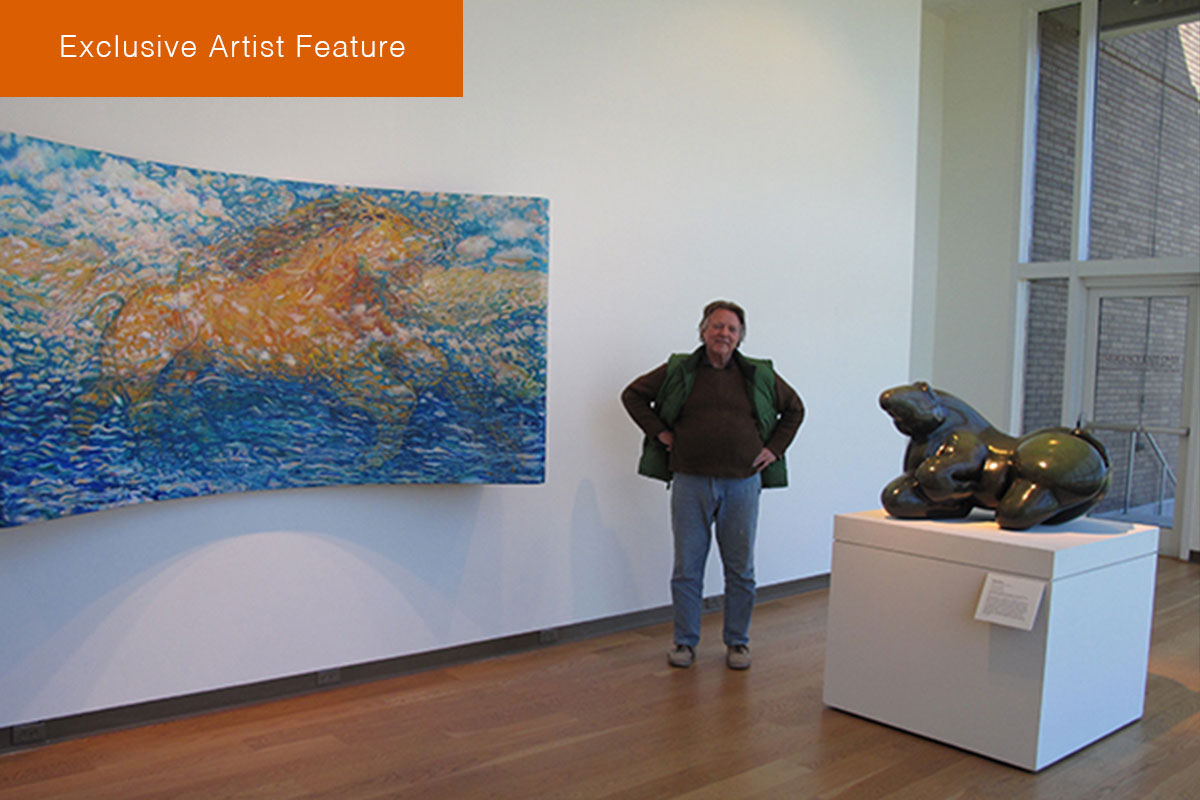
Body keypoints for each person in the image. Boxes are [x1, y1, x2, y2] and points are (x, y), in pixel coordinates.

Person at [621, 300, 804, 670]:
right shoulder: (680, 369)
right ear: (703, 331)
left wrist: (774, 449)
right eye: (717, 326)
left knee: (740, 569)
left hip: (743, 484)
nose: (724, 334)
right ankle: (685, 642)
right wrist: (660, 433)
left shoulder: (758, 374)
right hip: (690, 481)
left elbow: (794, 409)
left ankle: (738, 642)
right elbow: (633, 395)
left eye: (732, 329)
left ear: (740, 337)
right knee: (687, 568)